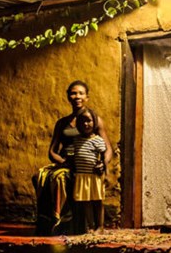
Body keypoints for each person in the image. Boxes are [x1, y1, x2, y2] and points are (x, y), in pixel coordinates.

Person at [34, 80, 113, 235]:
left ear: (87, 97)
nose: (77, 96)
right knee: (39, 177)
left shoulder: (94, 120)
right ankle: (54, 224)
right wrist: (64, 162)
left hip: (87, 164)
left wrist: (103, 164)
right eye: (73, 93)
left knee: (61, 179)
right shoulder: (62, 123)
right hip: (67, 163)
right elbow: (52, 152)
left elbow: (107, 148)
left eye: (81, 93)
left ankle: (77, 225)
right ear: (68, 97)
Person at [69, 107, 107, 233]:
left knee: (98, 202)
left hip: (94, 176)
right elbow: (72, 155)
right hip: (82, 176)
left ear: (95, 122)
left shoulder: (98, 140)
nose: (86, 124)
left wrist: (101, 165)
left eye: (89, 121)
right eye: (82, 121)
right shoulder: (77, 140)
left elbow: (102, 156)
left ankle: (100, 227)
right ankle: (90, 226)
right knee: (86, 203)